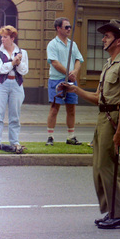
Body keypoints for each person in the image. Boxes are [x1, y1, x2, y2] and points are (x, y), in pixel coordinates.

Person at [61, 19, 120, 229]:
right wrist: (74, 89)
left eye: (107, 36)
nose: (103, 39)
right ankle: (112, 211)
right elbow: (98, 97)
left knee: (107, 167)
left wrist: (119, 132)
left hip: (114, 119)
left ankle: (119, 214)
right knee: (99, 167)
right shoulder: (108, 65)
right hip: (103, 117)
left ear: (118, 40)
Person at [45, 17, 85, 146]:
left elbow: (79, 59)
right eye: (66, 27)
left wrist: (75, 72)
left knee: (71, 108)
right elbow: (54, 63)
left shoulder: (73, 44)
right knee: (54, 108)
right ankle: (50, 137)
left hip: (71, 80)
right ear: (58, 28)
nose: (69, 29)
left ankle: (71, 136)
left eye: (69, 27)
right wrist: (68, 73)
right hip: (57, 80)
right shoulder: (52, 44)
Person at [0, 25, 28, 153]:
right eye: (2, 37)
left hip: (16, 84)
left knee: (15, 115)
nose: (2, 39)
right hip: (1, 84)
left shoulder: (22, 53)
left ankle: (14, 141)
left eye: (5, 37)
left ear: (12, 38)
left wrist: (18, 63)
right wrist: (12, 63)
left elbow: (24, 70)